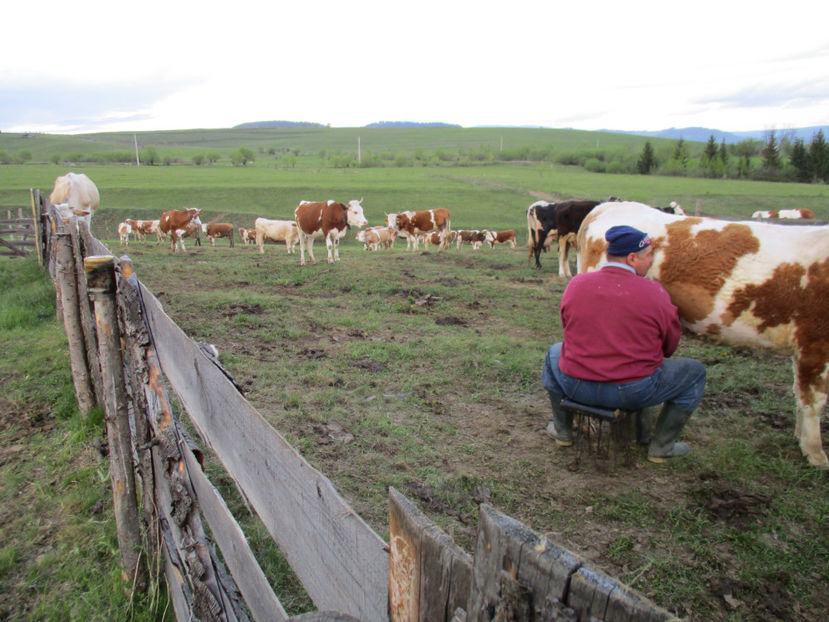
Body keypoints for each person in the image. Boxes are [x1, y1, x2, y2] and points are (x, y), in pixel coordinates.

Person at [541, 225, 706, 463]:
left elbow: (568, 329)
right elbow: (670, 347)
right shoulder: (654, 292)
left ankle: (563, 431)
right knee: (695, 373)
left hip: (575, 384)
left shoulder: (577, 284)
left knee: (554, 353)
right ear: (632, 258)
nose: (650, 261)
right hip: (632, 392)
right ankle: (662, 447)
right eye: (648, 255)